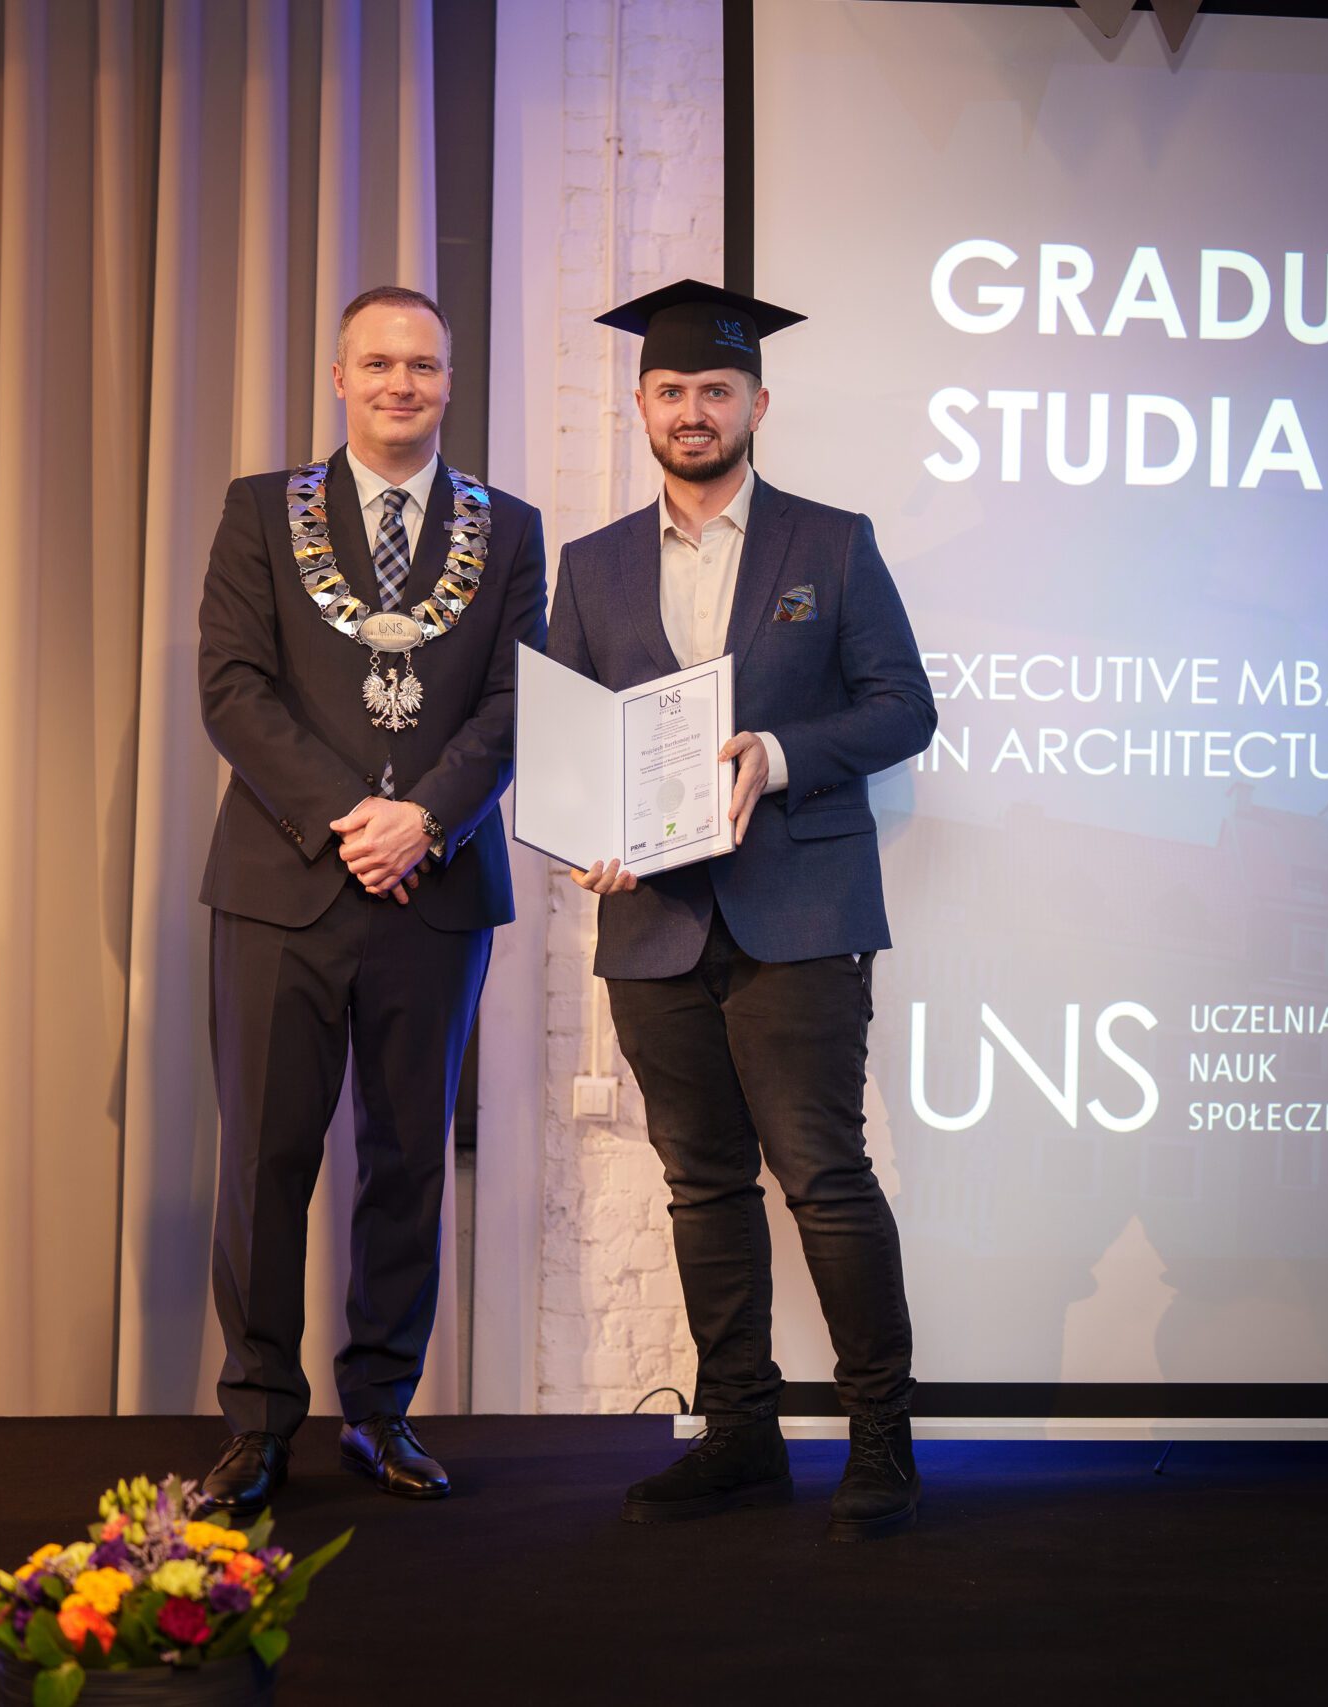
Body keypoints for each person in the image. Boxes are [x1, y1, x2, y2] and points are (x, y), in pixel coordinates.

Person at [548, 281, 936, 1539]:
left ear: (757, 403)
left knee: (822, 1176)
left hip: (801, 913)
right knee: (702, 1185)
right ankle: (740, 1437)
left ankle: (881, 1441)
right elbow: (568, 742)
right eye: (671, 390)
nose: (693, 410)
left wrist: (778, 751)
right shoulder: (592, 566)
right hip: (653, 926)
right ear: (641, 405)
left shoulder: (832, 543)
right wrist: (586, 834)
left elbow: (904, 708)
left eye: (716, 390)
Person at [192, 284, 546, 1517]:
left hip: (433, 893)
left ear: (450, 382)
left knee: (408, 1164)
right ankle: (257, 1424)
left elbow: (515, 702)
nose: (403, 384)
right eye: (380, 363)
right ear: (340, 376)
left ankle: (382, 1410)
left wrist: (425, 820)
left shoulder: (509, 529)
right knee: (266, 1162)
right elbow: (232, 687)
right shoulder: (260, 510)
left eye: (425, 366)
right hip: (283, 884)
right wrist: (355, 817)